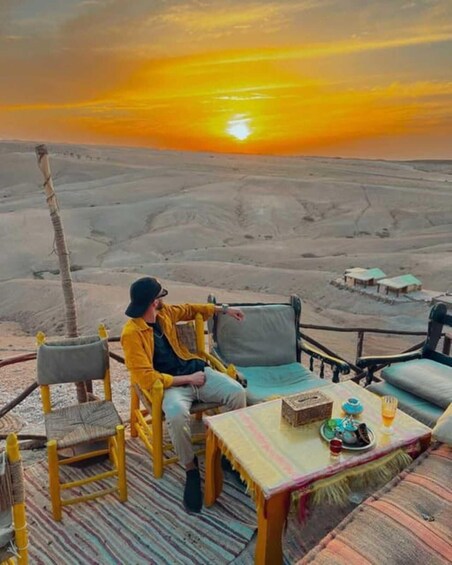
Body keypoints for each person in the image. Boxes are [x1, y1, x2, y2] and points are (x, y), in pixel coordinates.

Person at [121, 276, 247, 513]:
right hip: (170, 386)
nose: (163, 301)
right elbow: (146, 378)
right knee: (177, 415)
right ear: (153, 302)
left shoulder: (165, 313)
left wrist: (225, 310)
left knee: (237, 393)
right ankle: (191, 468)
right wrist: (188, 380)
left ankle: (226, 454)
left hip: (196, 370)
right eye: (160, 297)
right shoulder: (131, 334)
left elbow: (191, 309)